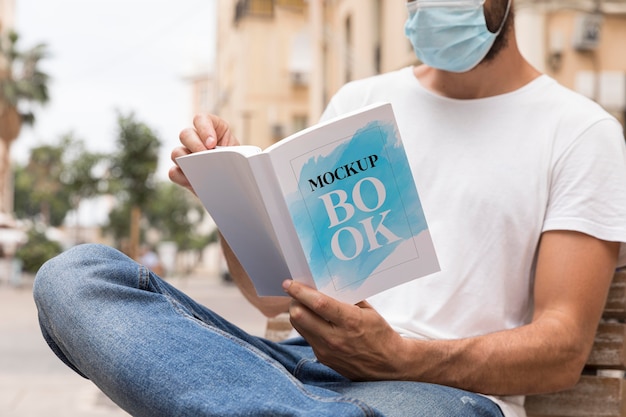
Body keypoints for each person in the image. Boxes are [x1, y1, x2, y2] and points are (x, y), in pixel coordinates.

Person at [33, 0, 626, 416]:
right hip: (293, 371)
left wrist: (401, 357)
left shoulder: (577, 132)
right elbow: (271, 296)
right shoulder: (362, 101)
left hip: (434, 394)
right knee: (75, 276)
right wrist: (228, 199)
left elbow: (563, 348)